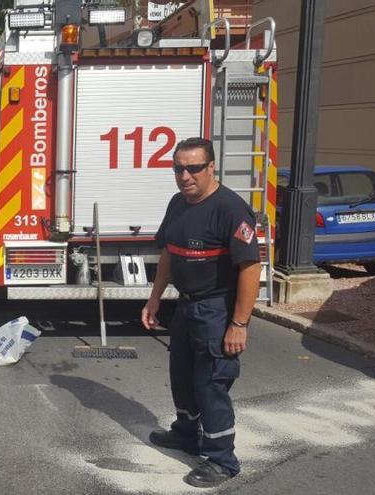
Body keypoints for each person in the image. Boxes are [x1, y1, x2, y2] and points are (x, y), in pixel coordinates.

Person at [141, 137, 261, 488]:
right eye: (179, 168)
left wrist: (239, 323)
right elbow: (169, 254)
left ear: (211, 168)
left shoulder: (231, 209)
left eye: (194, 168)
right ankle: (186, 434)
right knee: (181, 375)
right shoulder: (178, 204)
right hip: (186, 305)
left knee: (211, 384)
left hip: (217, 309)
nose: (185, 175)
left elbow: (250, 268)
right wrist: (154, 298)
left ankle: (222, 459)